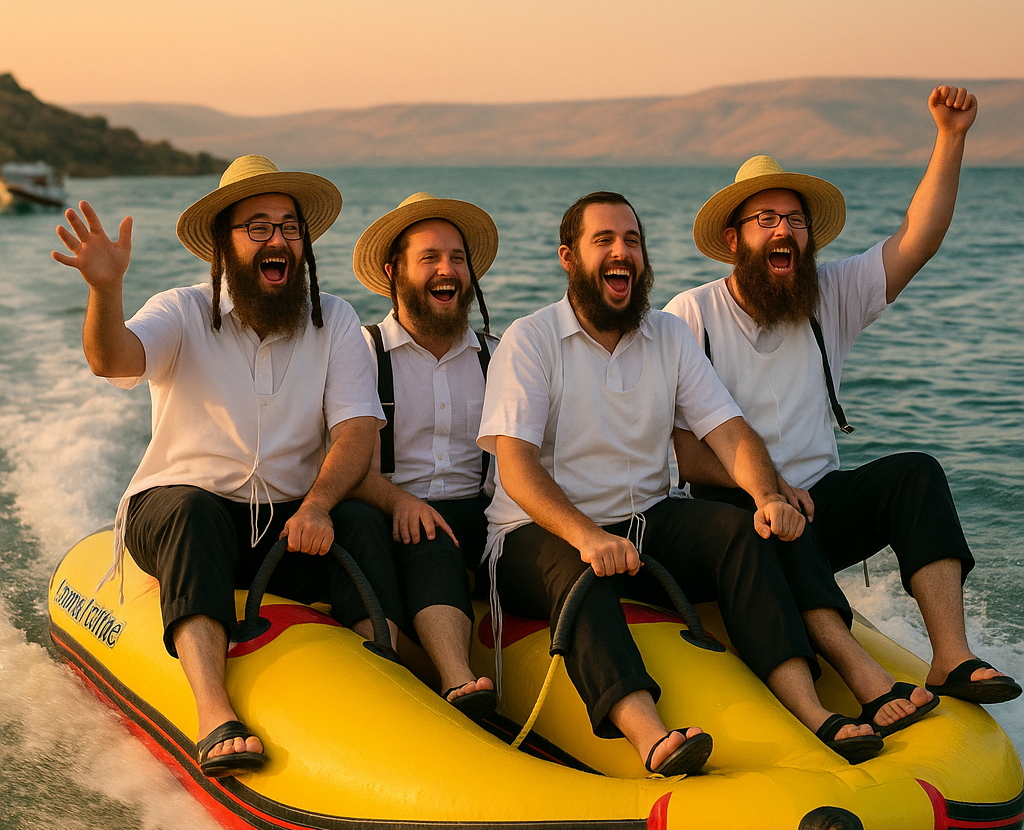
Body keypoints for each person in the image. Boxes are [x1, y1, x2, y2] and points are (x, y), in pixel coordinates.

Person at [478, 190, 885, 778]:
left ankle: (808, 707)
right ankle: (650, 736)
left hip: (645, 521)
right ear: (569, 258)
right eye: (605, 241)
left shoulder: (668, 335)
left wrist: (766, 495)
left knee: (743, 532)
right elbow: (516, 467)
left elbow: (730, 432)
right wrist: (588, 536)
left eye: (633, 241)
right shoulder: (531, 339)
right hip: (532, 533)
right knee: (577, 570)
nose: (623, 253)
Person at [665, 85, 1021, 706]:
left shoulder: (829, 295)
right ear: (734, 240)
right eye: (767, 220)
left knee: (916, 475)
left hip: (821, 502)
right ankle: (860, 679)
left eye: (796, 221)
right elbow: (675, 451)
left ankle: (951, 658)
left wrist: (951, 138)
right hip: (739, 516)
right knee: (781, 521)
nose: (786, 231)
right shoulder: (690, 316)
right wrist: (768, 487)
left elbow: (919, 238)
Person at [52, 155, 405, 778]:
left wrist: (319, 504)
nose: (279, 241)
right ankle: (213, 710)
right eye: (259, 227)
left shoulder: (337, 319)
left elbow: (356, 431)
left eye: (290, 227)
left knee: (363, 523)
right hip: (182, 510)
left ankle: (388, 688)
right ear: (225, 243)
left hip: (290, 522)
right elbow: (113, 359)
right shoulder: (182, 310)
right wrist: (104, 291)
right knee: (192, 510)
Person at [349, 193, 498, 719]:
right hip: (389, 511)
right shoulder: (362, 353)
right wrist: (399, 502)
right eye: (430, 257)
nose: (447, 269)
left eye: (457, 258)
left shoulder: (494, 355)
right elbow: (346, 468)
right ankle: (457, 678)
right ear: (394, 273)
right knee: (430, 536)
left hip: (479, 517)